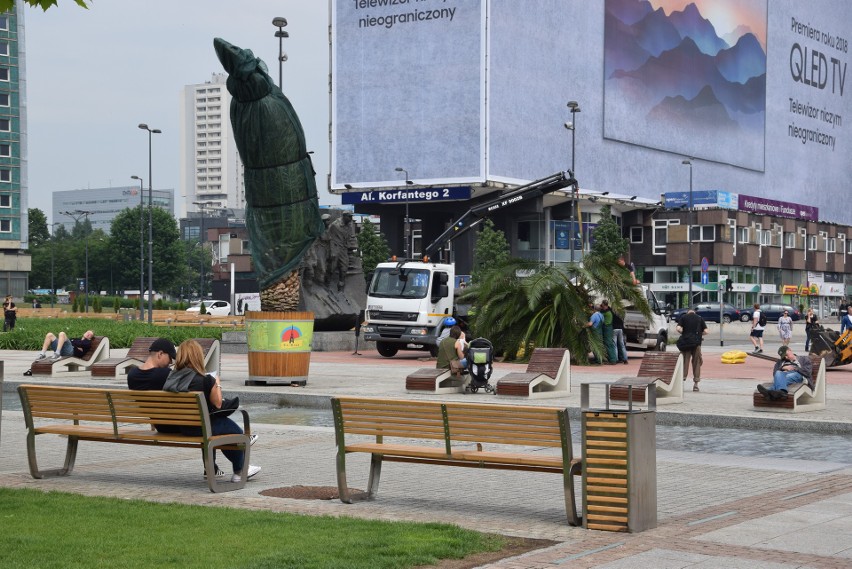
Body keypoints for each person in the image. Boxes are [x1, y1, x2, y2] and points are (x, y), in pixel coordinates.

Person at [163, 339, 260, 483]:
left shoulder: (171, 379)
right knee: (234, 433)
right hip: (201, 428)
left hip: (183, 427)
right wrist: (217, 383)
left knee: (219, 430)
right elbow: (218, 403)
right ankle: (240, 469)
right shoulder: (205, 380)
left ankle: (220, 468)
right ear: (197, 357)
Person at [676, 309, 708, 392]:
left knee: (685, 362)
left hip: (686, 344)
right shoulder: (700, 318)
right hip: (697, 344)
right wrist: (699, 334)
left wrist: (685, 334)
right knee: (696, 363)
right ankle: (696, 384)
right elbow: (706, 331)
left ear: (688, 312)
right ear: (694, 312)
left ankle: (682, 380)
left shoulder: (683, 317)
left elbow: (678, 328)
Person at [600, 300, 617, 364]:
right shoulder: (608, 311)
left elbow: (601, 315)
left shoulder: (607, 313)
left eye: (602, 305)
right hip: (608, 329)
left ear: (604, 305)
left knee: (608, 344)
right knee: (609, 344)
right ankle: (612, 359)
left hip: (607, 328)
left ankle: (612, 360)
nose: (601, 306)